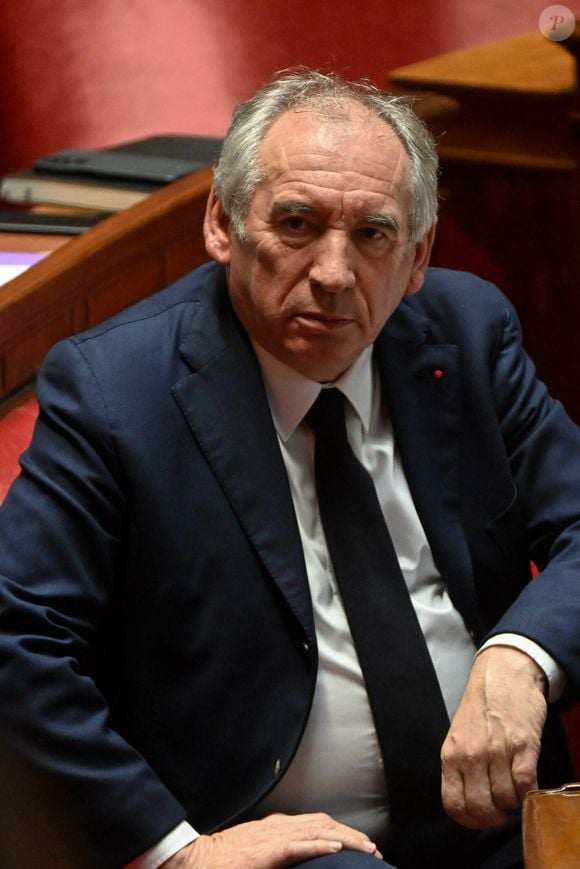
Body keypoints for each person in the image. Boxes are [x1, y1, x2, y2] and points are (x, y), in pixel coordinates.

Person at [0, 69, 579, 869]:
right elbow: (17, 634)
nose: (335, 273)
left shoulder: (467, 334)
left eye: (373, 234)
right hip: (289, 843)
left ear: (417, 257)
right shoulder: (117, 392)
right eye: (297, 224)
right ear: (221, 223)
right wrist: (174, 851)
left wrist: (523, 653)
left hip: (508, 819)